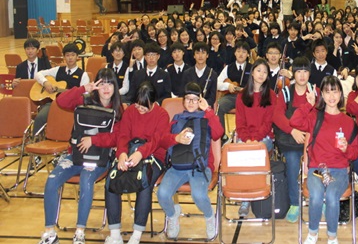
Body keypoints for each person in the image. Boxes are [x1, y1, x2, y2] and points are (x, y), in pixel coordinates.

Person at [37, 68, 123, 244]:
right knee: (52, 180)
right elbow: (61, 101)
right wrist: (84, 88)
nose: (106, 88)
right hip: (76, 156)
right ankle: (49, 233)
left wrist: (94, 140)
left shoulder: (118, 109)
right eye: (102, 83)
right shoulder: (85, 99)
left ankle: (80, 232)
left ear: (115, 86)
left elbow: (118, 137)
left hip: (99, 157)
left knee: (86, 179)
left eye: (110, 84)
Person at [290, 75, 358, 244]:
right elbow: (294, 121)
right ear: (322, 95)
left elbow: (355, 154)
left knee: (332, 196)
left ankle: (332, 237)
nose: (331, 96)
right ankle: (312, 233)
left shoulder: (349, 122)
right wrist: (309, 104)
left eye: (335, 91)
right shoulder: (315, 116)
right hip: (317, 169)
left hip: (339, 170)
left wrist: (346, 149)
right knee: (316, 195)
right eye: (327, 92)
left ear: (341, 94)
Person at [157, 82, 224, 240]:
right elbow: (163, 141)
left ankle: (209, 217)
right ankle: (172, 215)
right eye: (188, 99)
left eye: (195, 99)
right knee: (162, 194)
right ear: (183, 101)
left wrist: (208, 110)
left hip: (200, 167)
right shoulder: (176, 119)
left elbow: (218, 133)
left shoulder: (207, 118)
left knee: (199, 195)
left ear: (200, 101)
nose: (191, 102)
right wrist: (176, 138)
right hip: (177, 166)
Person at [104, 82, 169, 244]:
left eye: (144, 107)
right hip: (130, 152)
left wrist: (140, 154)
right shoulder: (130, 111)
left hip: (154, 155)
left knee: (144, 182)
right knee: (112, 180)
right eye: (138, 105)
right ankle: (115, 233)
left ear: (153, 102)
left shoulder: (162, 114)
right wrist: (122, 153)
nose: (140, 109)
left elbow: (157, 141)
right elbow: (123, 135)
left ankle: (137, 234)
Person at [272, 57, 317, 223]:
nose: (302, 75)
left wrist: (308, 135)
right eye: (299, 71)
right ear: (293, 74)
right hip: (290, 139)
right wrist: (293, 131)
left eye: (305, 71)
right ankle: (294, 203)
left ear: (310, 74)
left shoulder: (315, 91)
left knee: (316, 164)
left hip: (311, 140)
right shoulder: (285, 92)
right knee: (291, 162)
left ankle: (318, 199)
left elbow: (321, 116)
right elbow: (277, 116)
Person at [235, 58, 278, 216]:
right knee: (241, 154)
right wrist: (247, 140)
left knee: (253, 153)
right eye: (258, 70)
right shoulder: (242, 95)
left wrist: (254, 141)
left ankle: (247, 199)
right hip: (245, 138)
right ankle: (246, 196)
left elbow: (267, 124)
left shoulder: (271, 95)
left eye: (265, 72)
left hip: (264, 138)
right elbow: (240, 123)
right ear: (252, 72)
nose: (261, 74)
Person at [33, 43, 90, 133]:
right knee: (40, 118)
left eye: (73, 55)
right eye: (67, 55)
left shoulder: (83, 75)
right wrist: (45, 82)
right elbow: (38, 74)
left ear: (77, 57)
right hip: (54, 103)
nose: (70, 58)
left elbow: (85, 95)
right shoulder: (58, 70)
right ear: (64, 57)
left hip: (72, 106)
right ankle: (35, 139)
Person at [216, 41, 252, 130]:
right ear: (235, 53)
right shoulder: (228, 67)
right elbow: (217, 83)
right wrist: (227, 86)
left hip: (248, 97)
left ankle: (250, 133)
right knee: (219, 107)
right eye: (238, 51)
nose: (241, 54)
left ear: (248, 54)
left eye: (244, 52)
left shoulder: (253, 68)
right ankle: (222, 134)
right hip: (231, 97)